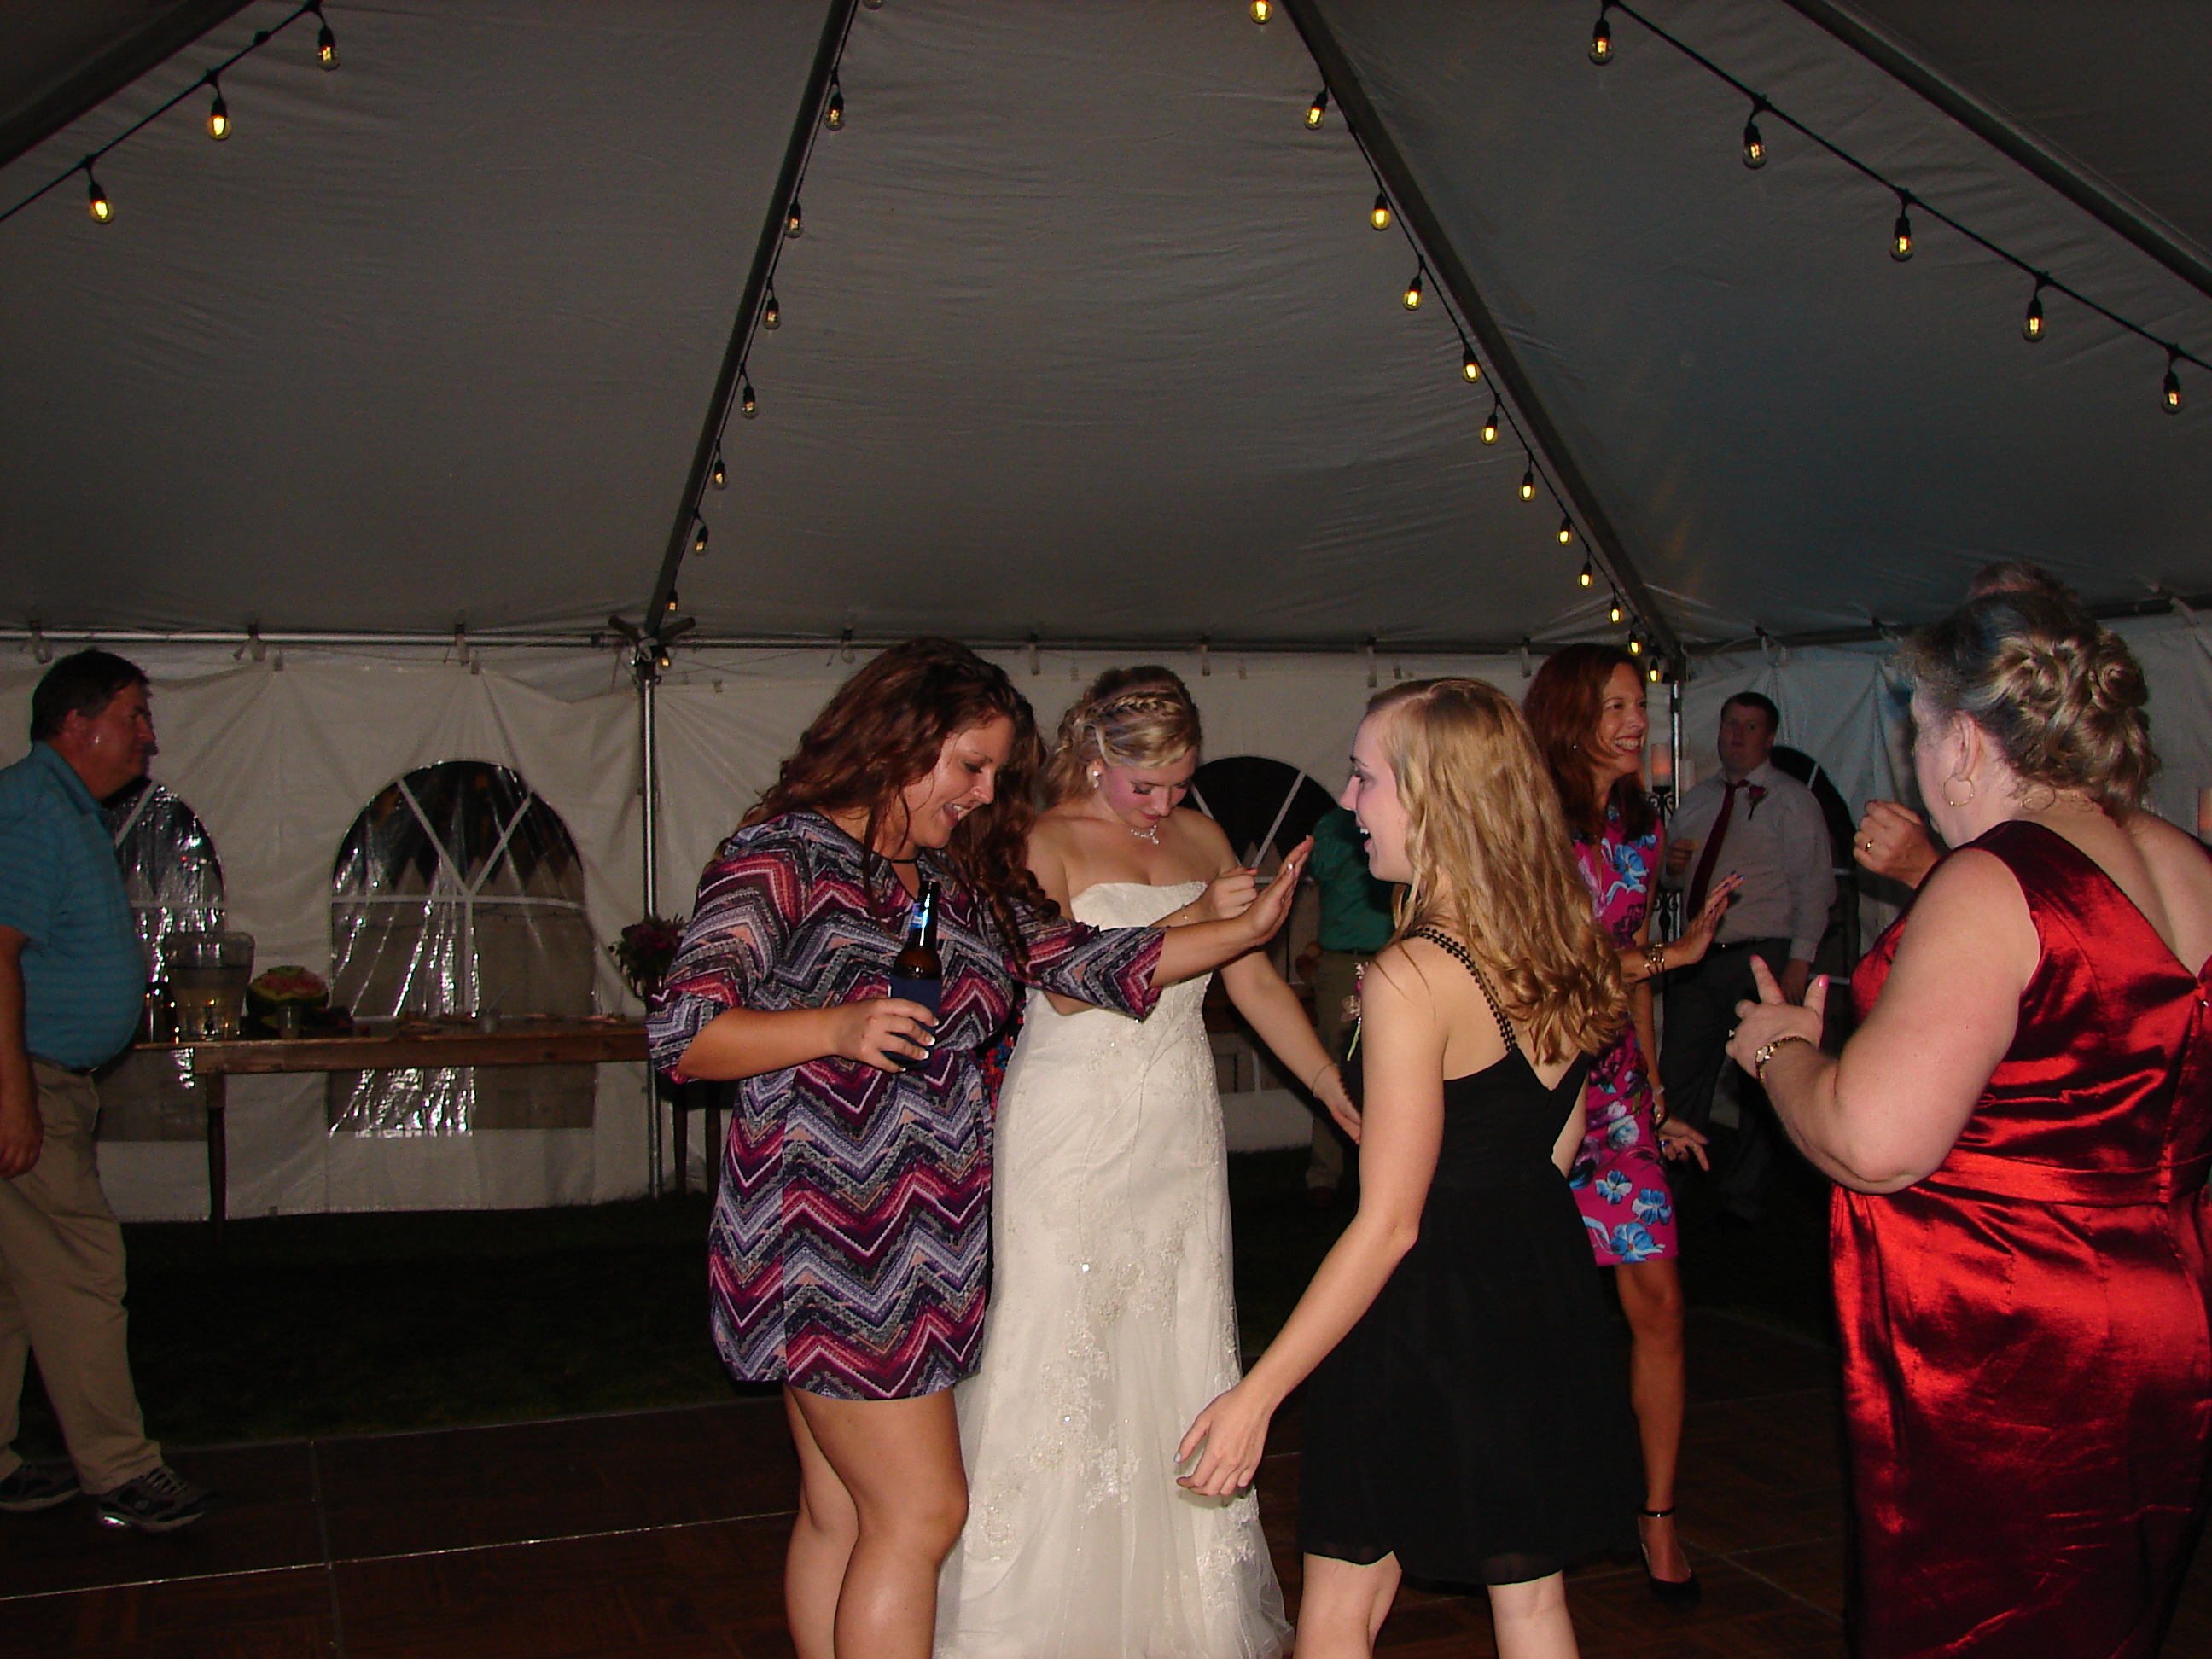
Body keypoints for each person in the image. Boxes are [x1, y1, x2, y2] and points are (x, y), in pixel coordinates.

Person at [647, 641, 1304, 1659]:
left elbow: (1079, 960)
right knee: (921, 1513)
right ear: (898, 741)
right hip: (831, 1237)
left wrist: (1239, 930)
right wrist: (835, 1027)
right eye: (970, 766)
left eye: (997, 772)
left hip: (936, 1235)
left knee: (843, 1512)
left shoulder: (949, 875)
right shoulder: (784, 855)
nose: (987, 792)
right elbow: (683, 1032)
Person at [1727, 579, 2212, 1658]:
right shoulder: (2187, 865)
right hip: (2169, 1309)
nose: (1915, 763)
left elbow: (1872, 1141)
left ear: (1962, 744)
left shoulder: (1996, 881)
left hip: (2018, 1329)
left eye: (1917, 734)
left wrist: (1777, 1051)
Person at [1177, 678, 1639, 1659]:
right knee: (1531, 1599)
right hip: (1539, 1288)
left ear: (1437, 796)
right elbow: (1554, 1151)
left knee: (1342, 1602)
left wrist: (1257, 1396)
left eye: (1365, 778)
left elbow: (1390, 1221)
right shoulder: (1565, 941)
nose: (1348, 802)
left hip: (1423, 1310)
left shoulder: (1415, 973)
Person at [940, 667, 1352, 1657]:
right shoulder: (1042, 840)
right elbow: (1069, 987)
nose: (1163, 806)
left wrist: (1334, 1090)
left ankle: (1179, 1618)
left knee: (1176, 1339)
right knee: (1055, 1348)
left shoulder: (1204, 836)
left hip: (1176, 1125)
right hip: (1070, 1125)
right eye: (1145, 786)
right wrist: (1204, 913)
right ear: (1095, 759)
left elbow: (1252, 981)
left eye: (1178, 783)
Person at [1522, 643, 1734, 1608]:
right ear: (1570, 717)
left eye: (1638, 704)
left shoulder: (1639, 830)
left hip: (1612, 1091)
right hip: (1537, 1083)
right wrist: (1674, 959)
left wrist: (1651, 1085)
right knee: (1541, 1310)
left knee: (1660, 1303)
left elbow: (1631, 959)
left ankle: (1657, 1512)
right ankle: (1536, 1499)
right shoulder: (1533, 826)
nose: (1636, 721)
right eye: (1614, 706)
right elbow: (1548, 973)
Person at [0, 650, 212, 1533]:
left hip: (46, 1077)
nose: (148, 736)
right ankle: (120, 1472)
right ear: (76, 724)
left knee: (15, 1285)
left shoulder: (66, 809)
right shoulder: (32, 809)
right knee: (83, 1268)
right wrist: (15, 1098)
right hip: (28, 1078)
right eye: (134, 716)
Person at [1658, 692, 1835, 1221]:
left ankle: (1745, 1196)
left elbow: (1815, 887)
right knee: (1680, 1070)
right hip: (1697, 957)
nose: (1737, 734)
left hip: (1760, 954)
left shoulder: (1792, 801)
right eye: (1730, 723)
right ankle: (1669, 1186)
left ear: (1770, 737)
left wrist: (1800, 960)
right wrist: (1672, 868)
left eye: (1750, 726)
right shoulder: (1698, 800)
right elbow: (1672, 881)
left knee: (1761, 1078)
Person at [1854, 561, 2076, 891]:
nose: (1988, 645)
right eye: (1979, 627)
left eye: (2009, 625)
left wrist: (1923, 871)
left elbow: (2048, 911)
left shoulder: (2081, 779)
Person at [1301, 805, 1395, 1206]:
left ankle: (1392, 1171)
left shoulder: (1399, 816)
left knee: (1396, 1068)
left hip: (1396, 956)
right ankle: (1324, 1174)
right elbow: (1320, 867)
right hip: (1345, 961)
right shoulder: (1334, 824)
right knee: (1337, 1065)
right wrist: (1353, 825)